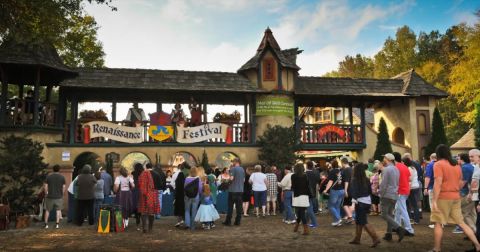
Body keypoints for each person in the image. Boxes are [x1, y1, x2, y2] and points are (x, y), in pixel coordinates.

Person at [430, 145, 480, 252]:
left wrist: (434, 201)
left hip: (443, 197)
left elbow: (437, 183)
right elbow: (460, 182)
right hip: (455, 196)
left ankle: (437, 248)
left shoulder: (438, 164)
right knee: (461, 223)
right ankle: (478, 245)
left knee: (438, 223)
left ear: (438, 153)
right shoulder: (456, 165)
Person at [349, 163, 381, 248]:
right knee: (359, 221)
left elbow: (354, 193)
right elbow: (369, 191)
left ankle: (375, 238)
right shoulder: (366, 179)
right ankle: (357, 238)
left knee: (363, 222)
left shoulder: (354, 180)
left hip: (360, 203)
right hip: (367, 201)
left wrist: (353, 204)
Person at [379, 153, 406, 242]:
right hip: (394, 194)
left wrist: (381, 194)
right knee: (389, 214)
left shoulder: (386, 169)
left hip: (386, 194)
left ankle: (399, 228)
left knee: (384, 215)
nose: (384, 160)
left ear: (388, 159)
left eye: (385, 158)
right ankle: (388, 234)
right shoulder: (396, 169)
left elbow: (383, 184)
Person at [393, 152, 414, 236]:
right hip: (405, 190)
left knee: (402, 209)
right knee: (398, 209)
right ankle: (396, 226)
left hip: (400, 191)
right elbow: (409, 179)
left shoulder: (395, 167)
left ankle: (409, 229)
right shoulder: (404, 166)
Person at [137, 163, 160, 233]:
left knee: (143, 211)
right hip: (153, 194)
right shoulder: (156, 174)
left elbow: (139, 183)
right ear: (152, 167)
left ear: (146, 167)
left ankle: (144, 227)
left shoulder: (142, 174)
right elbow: (160, 185)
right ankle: (150, 228)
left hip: (143, 194)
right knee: (151, 211)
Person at [322, 160, 345, 227]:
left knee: (330, 206)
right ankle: (336, 222)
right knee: (337, 206)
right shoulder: (341, 171)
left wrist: (326, 190)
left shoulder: (332, 171)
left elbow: (330, 182)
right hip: (341, 190)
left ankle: (338, 218)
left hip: (335, 190)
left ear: (332, 165)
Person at [223, 158, 245, 226]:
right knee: (239, 207)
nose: (232, 163)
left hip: (232, 190)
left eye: (233, 162)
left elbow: (231, 178)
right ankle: (237, 221)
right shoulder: (242, 169)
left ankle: (228, 221)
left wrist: (226, 182)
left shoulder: (233, 169)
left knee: (230, 207)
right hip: (240, 190)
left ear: (236, 162)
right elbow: (243, 180)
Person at [291, 163, 311, 235]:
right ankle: (297, 226)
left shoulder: (293, 176)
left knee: (300, 212)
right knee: (301, 212)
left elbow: (293, 186)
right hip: (305, 196)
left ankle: (306, 229)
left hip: (297, 196)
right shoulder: (305, 176)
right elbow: (307, 185)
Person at [44, 164, 66, 229]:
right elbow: (64, 187)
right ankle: (57, 224)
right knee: (58, 210)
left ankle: (46, 224)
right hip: (59, 196)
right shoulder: (62, 177)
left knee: (47, 210)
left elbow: (45, 186)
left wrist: (46, 193)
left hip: (50, 196)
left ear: (53, 169)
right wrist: (62, 193)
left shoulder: (49, 177)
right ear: (59, 170)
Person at [404, 157, 421, 225]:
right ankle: (414, 218)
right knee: (414, 204)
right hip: (415, 187)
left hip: (412, 188)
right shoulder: (413, 168)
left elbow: (410, 179)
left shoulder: (409, 168)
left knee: (413, 204)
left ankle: (415, 219)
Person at [424, 153, 437, 228]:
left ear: (431, 157)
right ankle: (441, 222)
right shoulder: (440, 164)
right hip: (441, 188)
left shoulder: (430, 165)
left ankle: (436, 223)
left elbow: (427, 177)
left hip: (432, 187)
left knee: (433, 205)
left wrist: (426, 188)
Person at [305, 161, 319, 228]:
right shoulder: (315, 173)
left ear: (307, 166)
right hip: (313, 192)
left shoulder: (305, 174)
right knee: (309, 208)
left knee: (309, 208)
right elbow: (317, 183)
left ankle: (314, 223)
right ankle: (306, 221)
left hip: (306, 193)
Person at [341, 158, 354, 224]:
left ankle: (350, 217)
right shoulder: (352, 169)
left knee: (344, 204)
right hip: (352, 188)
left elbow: (346, 181)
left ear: (343, 163)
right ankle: (349, 217)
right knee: (349, 204)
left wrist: (345, 190)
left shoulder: (346, 170)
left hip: (348, 189)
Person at [131, 163, 144, 230]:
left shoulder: (133, 173)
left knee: (136, 208)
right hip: (142, 191)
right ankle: (143, 224)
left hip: (135, 191)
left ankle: (137, 224)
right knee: (142, 208)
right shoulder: (143, 174)